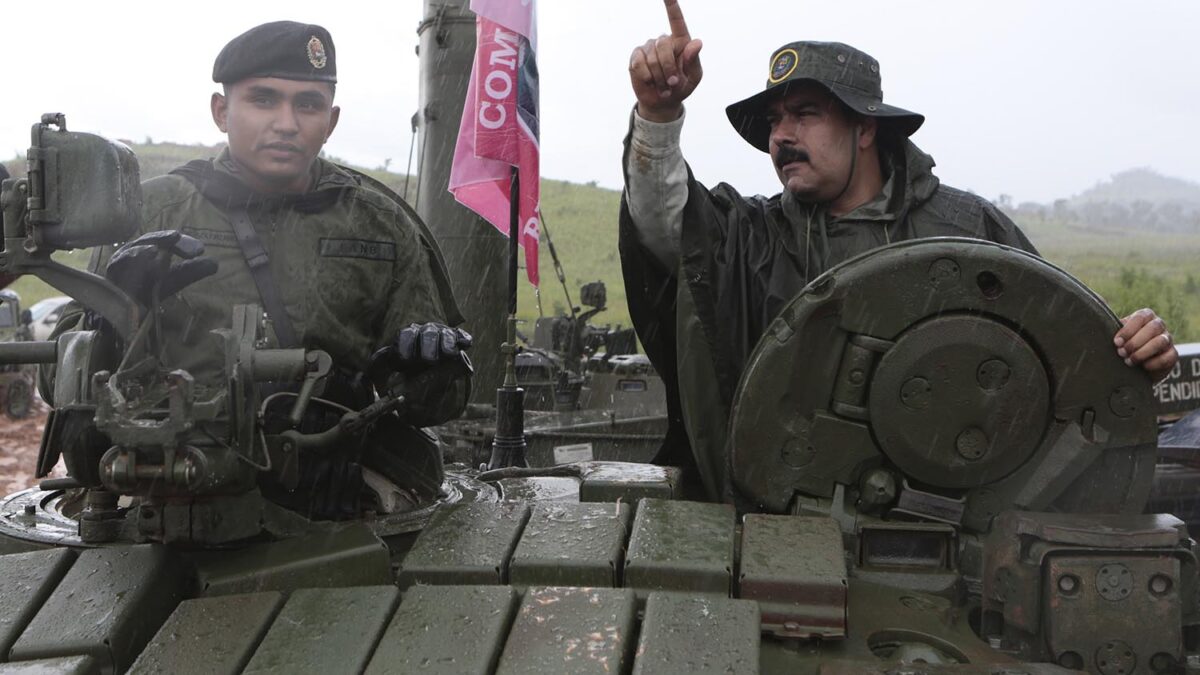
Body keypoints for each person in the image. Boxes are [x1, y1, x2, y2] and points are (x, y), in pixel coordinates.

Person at [620, 0, 1179, 501]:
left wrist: (1133, 349)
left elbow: (1065, 344)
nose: (781, 136)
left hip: (957, 541)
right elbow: (667, 224)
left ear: (865, 129)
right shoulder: (751, 239)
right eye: (774, 120)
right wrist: (658, 115)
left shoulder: (966, 230)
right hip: (781, 532)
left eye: (806, 113)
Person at [46, 21, 471, 519]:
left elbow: (441, 401)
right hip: (165, 483)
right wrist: (112, 316)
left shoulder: (379, 222)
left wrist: (429, 371)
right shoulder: (152, 214)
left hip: (336, 496)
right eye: (264, 100)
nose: (286, 123)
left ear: (330, 121)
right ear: (222, 111)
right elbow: (58, 378)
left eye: (307, 105)